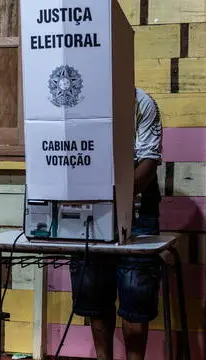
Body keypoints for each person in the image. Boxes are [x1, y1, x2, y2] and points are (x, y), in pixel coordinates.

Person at [69, 87, 163, 360]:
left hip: (137, 205)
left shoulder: (141, 103)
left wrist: (112, 197)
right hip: (93, 205)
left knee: (136, 296)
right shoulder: (81, 100)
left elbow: (149, 159)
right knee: (96, 294)